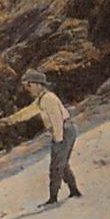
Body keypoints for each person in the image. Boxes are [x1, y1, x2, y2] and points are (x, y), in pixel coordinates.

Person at [21, 69, 82, 206]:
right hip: (65, 130)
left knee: (56, 165)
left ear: (38, 84)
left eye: (29, 85)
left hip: (63, 130)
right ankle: (74, 191)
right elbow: (26, 113)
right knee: (62, 163)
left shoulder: (48, 99)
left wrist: (58, 139)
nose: (27, 89)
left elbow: (57, 119)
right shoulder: (42, 99)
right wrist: (6, 121)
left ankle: (53, 198)